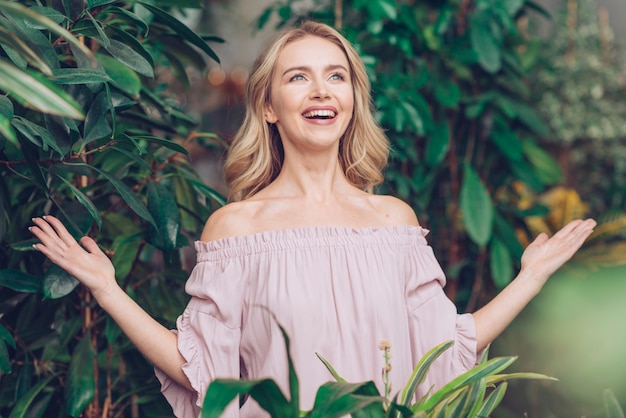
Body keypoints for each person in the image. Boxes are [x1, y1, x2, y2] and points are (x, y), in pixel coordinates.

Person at [30, 21, 596, 418]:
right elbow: (200, 369)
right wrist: (107, 289)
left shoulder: (394, 221)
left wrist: (531, 277)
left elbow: (444, 350)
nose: (321, 90)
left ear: (352, 100)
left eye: (336, 76)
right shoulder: (236, 229)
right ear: (269, 107)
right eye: (298, 76)